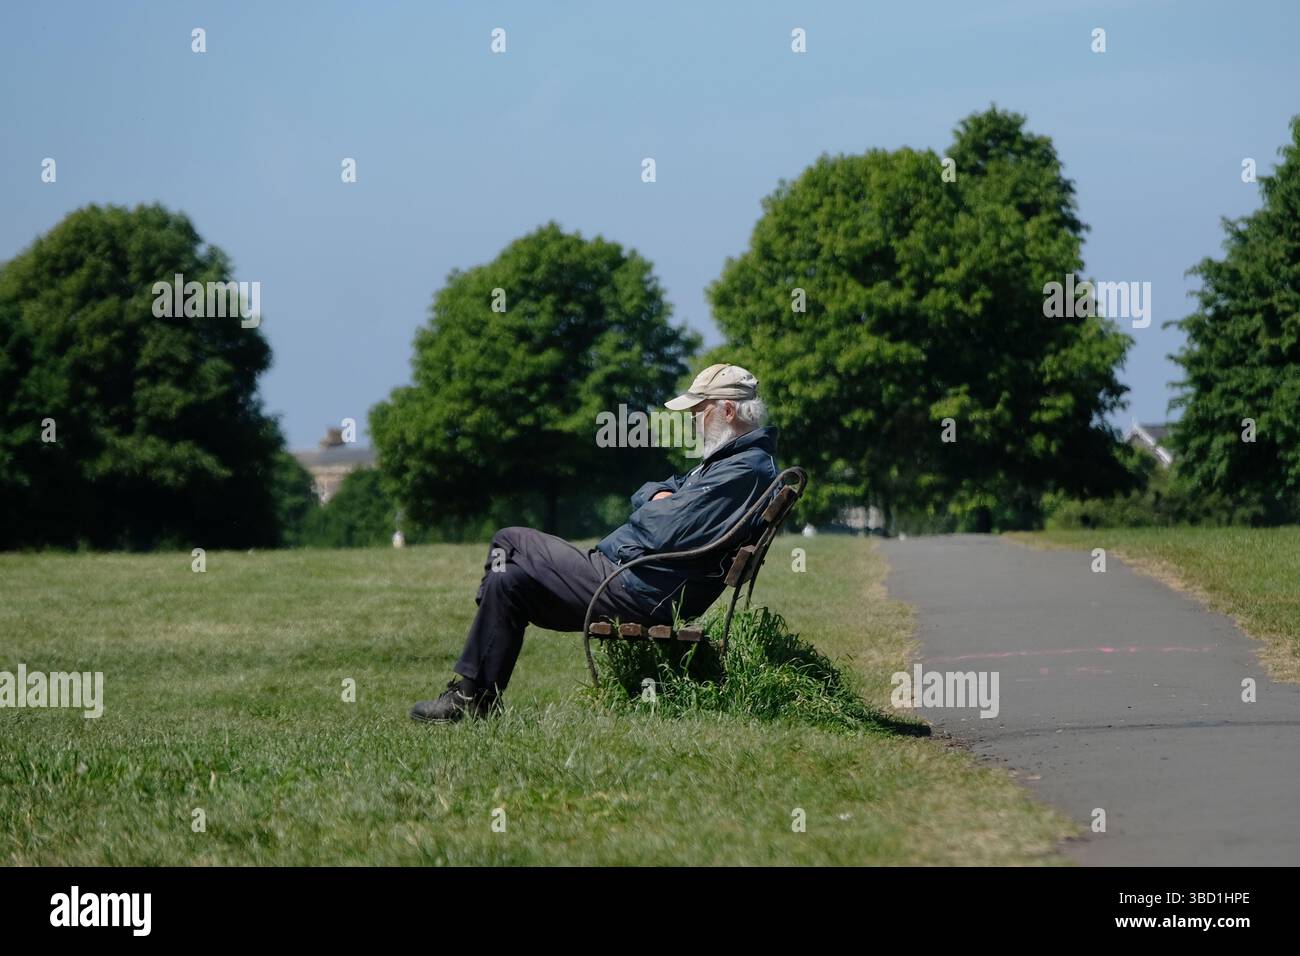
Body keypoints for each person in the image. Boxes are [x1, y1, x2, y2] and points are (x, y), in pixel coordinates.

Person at [410, 363, 779, 723]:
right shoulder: (729, 463)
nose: (693, 422)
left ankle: (471, 686)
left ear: (727, 410)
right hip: (638, 580)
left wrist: (660, 505)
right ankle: (474, 700)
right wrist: (660, 499)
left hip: (637, 585)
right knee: (508, 581)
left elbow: (664, 529)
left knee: (509, 541)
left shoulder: (743, 469)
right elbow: (653, 491)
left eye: (698, 412)